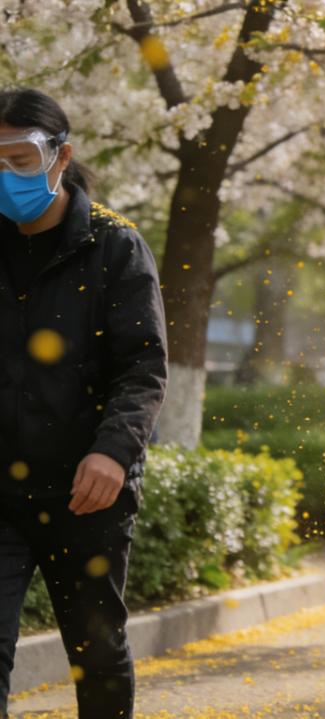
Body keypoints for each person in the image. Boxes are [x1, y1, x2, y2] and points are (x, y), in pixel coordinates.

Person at [0, 88, 167, 719]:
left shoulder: (115, 245)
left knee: (96, 651)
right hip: (1, 490)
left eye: (19, 159)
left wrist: (113, 453)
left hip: (85, 489)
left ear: (60, 156)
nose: (6, 177)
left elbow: (143, 364)